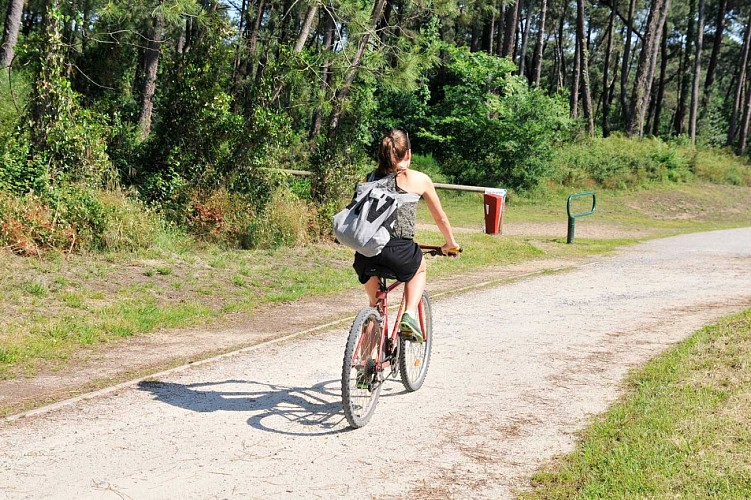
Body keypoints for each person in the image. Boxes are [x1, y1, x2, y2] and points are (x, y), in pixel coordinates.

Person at [352, 129, 460, 343]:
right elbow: (441, 218)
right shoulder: (419, 179)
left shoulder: (370, 178)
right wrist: (451, 243)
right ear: (408, 154)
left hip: (365, 253)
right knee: (418, 267)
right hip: (398, 252)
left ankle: (366, 364)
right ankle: (409, 315)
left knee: (375, 306)